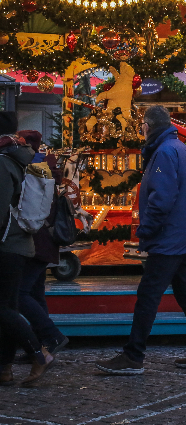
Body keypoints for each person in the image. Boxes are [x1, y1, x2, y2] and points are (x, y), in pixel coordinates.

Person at [96, 106, 186, 375]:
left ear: (148, 127)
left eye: (142, 126)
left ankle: (133, 355)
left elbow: (161, 200)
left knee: (148, 295)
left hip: (169, 237)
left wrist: (147, 230)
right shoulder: (181, 149)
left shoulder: (163, 153)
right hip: (184, 233)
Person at [0, 114, 55, 386]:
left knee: (4, 309)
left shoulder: (2, 162)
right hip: (21, 243)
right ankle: (5, 368)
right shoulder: (24, 157)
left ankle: (40, 352)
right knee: (7, 307)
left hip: (6, 244)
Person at [16, 130, 69, 361]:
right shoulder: (47, 171)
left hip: (36, 240)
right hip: (46, 240)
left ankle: (51, 336)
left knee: (20, 293)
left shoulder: (31, 170)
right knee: (36, 293)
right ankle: (41, 346)